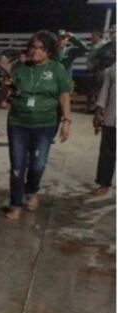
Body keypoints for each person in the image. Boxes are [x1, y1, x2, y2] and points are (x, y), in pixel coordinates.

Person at [0, 30, 72, 220]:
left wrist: (66, 120)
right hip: (18, 123)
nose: (35, 51)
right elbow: (4, 100)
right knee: (17, 166)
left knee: (38, 165)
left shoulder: (57, 69)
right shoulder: (19, 69)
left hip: (45, 124)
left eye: (40, 48)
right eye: (33, 47)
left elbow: (64, 94)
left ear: (49, 51)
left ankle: (31, 191)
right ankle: (16, 203)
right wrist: (5, 85)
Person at [90, 63, 116, 197]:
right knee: (107, 154)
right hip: (111, 118)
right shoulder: (115, 67)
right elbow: (105, 90)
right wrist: (98, 112)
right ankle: (103, 184)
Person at [85, 31, 106, 112]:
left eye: (93, 36)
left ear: (98, 36)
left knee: (98, 90)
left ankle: (97, 109)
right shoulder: (93, 45)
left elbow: (100, 59)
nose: (91, 38)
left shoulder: (102, 45)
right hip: (91, 70)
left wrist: (95, 67)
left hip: (97, 71)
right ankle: (90, 107)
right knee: (90, 90)